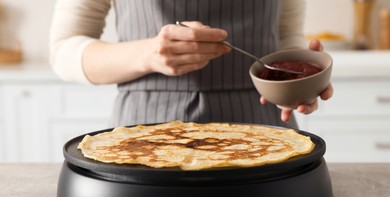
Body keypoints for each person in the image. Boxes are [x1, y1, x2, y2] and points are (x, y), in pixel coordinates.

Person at [50, 0, 333, 129]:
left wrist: (296, 85)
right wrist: (149, 53)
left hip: (264, 125)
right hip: (143, 133)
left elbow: (286, 38)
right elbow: (64, 51)